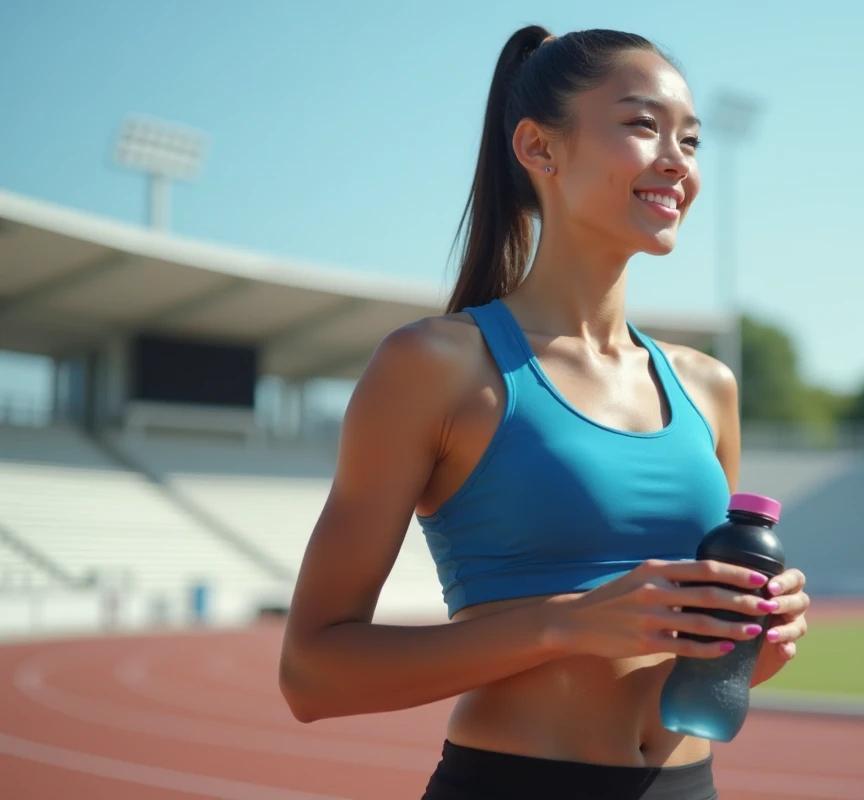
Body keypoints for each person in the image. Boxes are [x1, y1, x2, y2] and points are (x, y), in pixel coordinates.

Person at [278, 25, 810, 800]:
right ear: (538, 147)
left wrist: (751, 643)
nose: (677, 160)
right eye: (640, 125)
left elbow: (689, 664)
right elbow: (311, 675)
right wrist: (566, 623)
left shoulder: (709, 387)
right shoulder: (434, 366)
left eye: (691, 141)